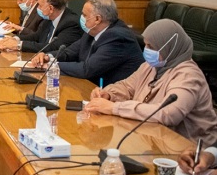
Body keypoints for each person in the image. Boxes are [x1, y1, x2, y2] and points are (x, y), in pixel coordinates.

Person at [85, 19, 217, 146]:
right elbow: (127, 86)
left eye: (152, 47)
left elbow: (169, 114)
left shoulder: (188, 75)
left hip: (191, 150)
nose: (147, 50)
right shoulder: (151, 66)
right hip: (156, 140)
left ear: (170, 48)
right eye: (146, 45)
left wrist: (114, 108)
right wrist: (108, 94)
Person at [29, 0, 144, 86]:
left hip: (117, 96)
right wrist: (47, 57)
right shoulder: (92, 31)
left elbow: (87, 69)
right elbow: (69, 52)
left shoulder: (117, 37)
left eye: (84, 15)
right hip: (92, 87)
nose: (81, 18)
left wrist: (51, 66)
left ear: (97, 19)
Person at [0, 0, 82, 53]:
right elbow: (36, 36)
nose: (37, 8)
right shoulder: (49, 18)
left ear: (51, 8)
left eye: (40, 5)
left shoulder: (71, 23)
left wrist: (18, 45)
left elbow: (53, 47)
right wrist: (14, 39)